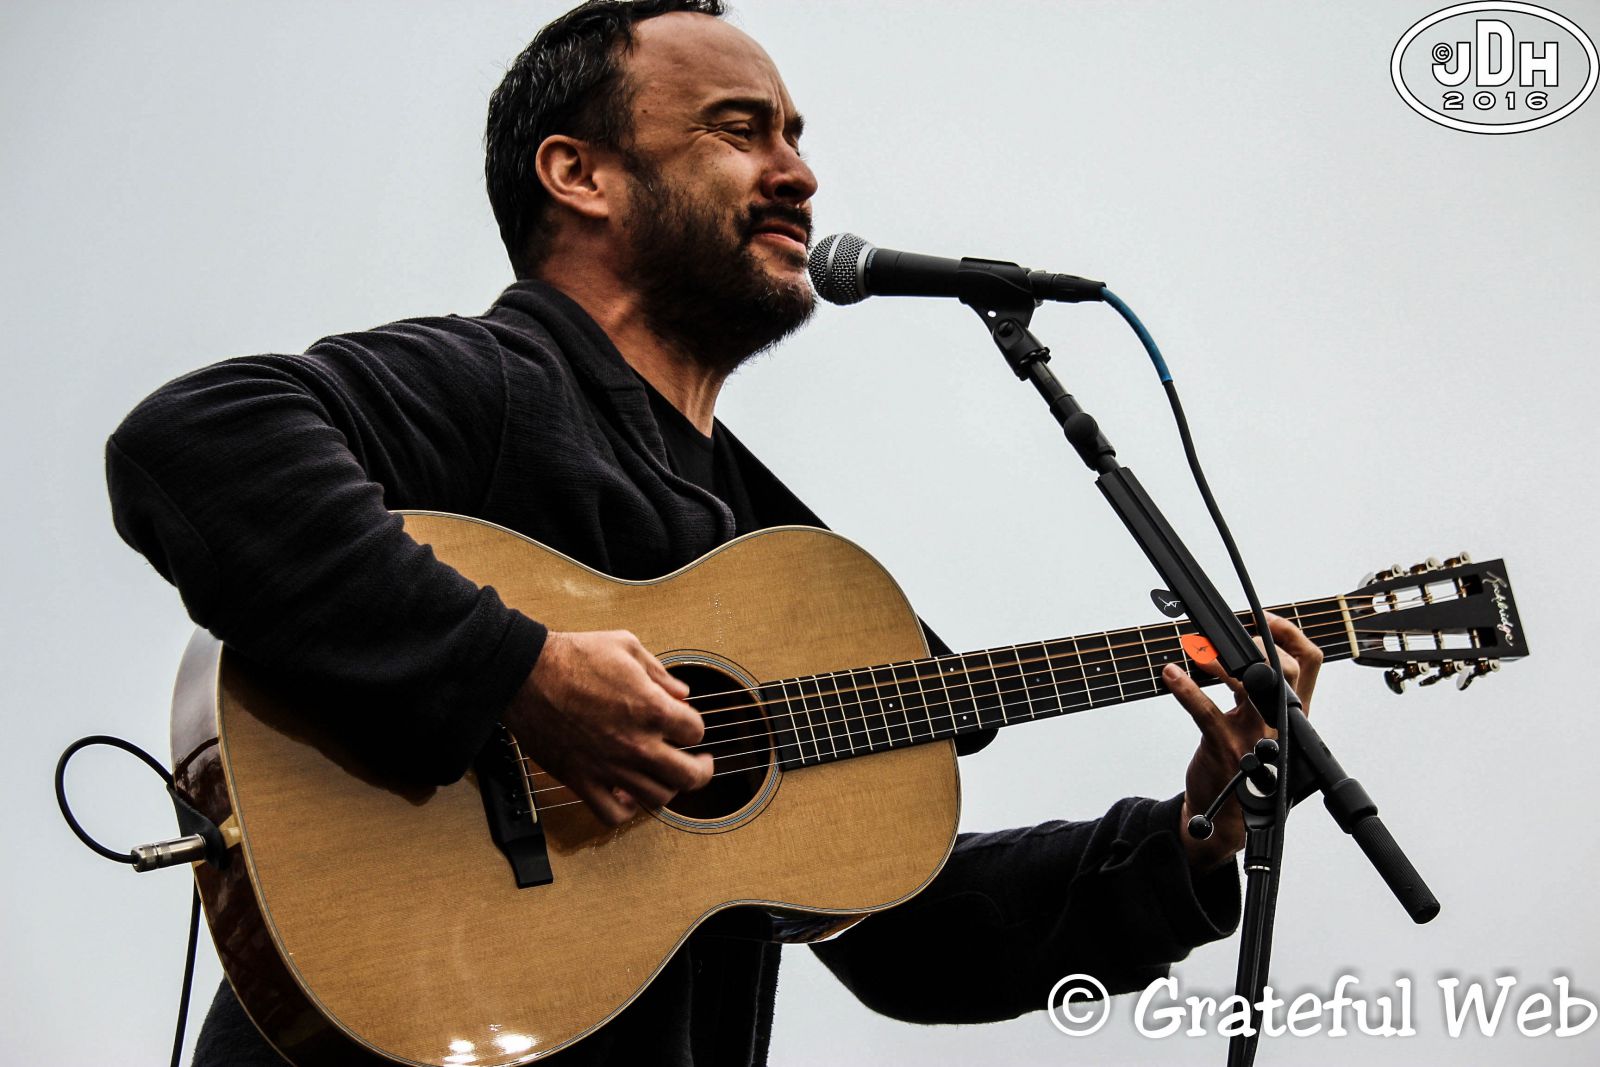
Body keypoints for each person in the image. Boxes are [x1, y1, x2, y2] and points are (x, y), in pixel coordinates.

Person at [105, 2, 1322, 1064]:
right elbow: (197, 444)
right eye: (739, 131)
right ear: (579, 174)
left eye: (795, 138)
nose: (795, 173)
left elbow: (915, 933)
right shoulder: (501, 382)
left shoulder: (772, 550)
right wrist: (519, 670)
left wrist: (1195, 832)